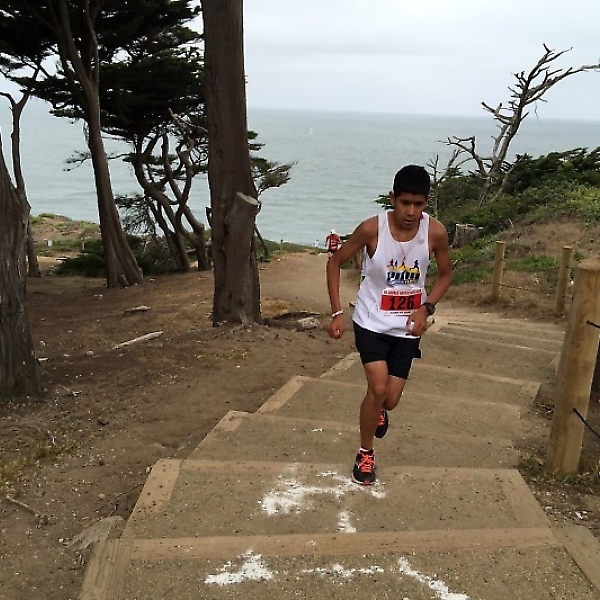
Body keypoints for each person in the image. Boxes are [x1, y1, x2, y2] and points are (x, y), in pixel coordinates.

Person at [326, 165, 453, 485]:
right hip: (370, 322)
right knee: (378, 387)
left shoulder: (435, 233)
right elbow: (335, 262)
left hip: (407, 328)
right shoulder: (372, 229)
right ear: (392, 198)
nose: (411, 212)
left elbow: (446, 274)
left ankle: (379, 409)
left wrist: (427, 308)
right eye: (405, 203)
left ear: (426, 202)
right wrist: (337, 312)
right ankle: (365, 454)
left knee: (390, 399)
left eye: (418, 204)